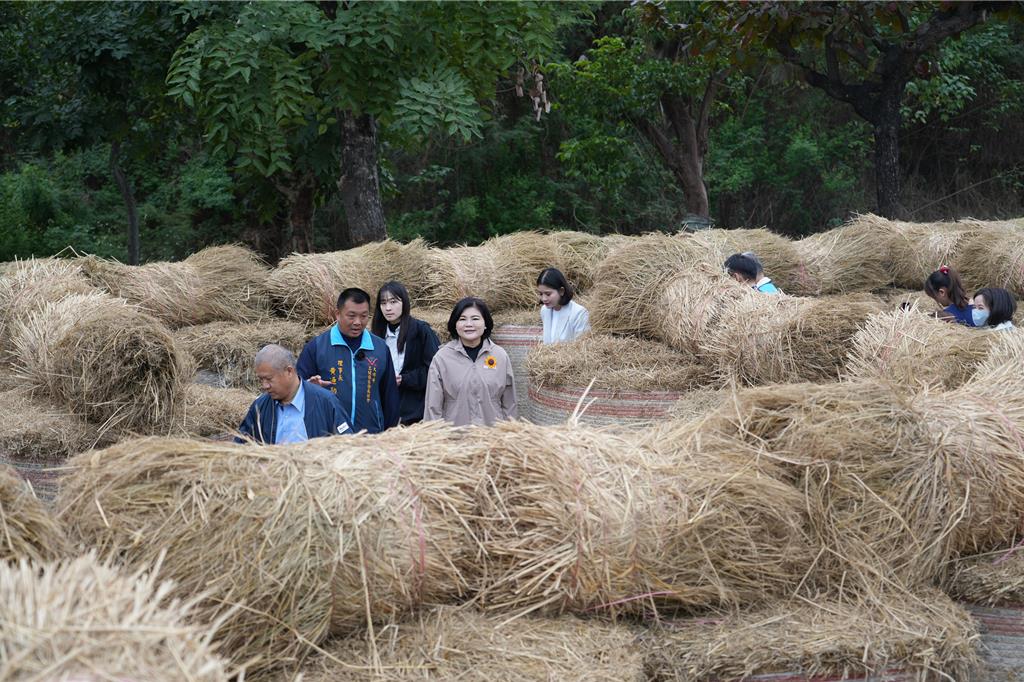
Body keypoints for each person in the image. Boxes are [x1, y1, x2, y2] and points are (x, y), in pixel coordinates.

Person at [296, 287, 400, 433]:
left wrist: (391, 434)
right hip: (328, 435)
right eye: (351, 316)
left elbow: (390, 396)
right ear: (338, 314)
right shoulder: (317, 347)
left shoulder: (380, 348)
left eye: (364, 316)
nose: (358, 322)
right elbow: (295, 391)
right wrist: (309, 387)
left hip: (371, 436)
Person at [424, 297, 517, 426]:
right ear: (455, 325)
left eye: (475, 318)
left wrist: (509, 434)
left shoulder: (500, 355)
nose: (469, 324)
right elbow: (432, 407)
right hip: (454, 438)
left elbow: (509, 403)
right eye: (462, 319)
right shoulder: (442, 358)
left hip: (493, 438)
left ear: (485, 323)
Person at [237, 344, 352, 444]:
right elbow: (241, 445)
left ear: (289, 371)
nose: (265, 386)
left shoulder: (325, 401)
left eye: (268, 379)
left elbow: (347, 444)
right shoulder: (260, 407)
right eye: (260, 380)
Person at [371, 281, 441, 424]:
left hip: (415, 411)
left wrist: (404, 379)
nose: (388, 308)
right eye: (383, 303)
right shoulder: (375, 336)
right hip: (384, 408)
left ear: (405, 303)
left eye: (393, 301)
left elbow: (435, 370)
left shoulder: (421, 331)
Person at [536, 267, 590, 344]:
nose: (544, 299)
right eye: (541, 294)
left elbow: (583, 347)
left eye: (548, 294)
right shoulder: (545, 310)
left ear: (561, 291)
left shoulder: (579, 313)